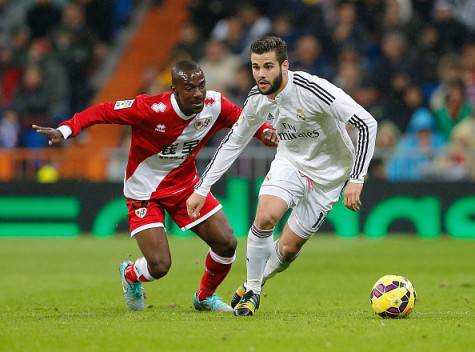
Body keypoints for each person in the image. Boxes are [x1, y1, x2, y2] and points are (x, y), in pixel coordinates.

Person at [33, 60, 277, 313]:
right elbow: (102, 111)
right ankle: (130, 273)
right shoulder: (150, 108)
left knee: (226, 242)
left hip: (185, 187)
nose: (197, 94)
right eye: (189, 88)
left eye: (201, 86)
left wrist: (266, 131)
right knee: (160, 265)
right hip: (144, 192)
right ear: (174, 89)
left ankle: (204, 297)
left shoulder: (214, 105)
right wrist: (64, 130)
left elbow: (246, 120)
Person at [186, 36, 377, 316]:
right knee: (265, 217)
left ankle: (255, 281)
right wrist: (203, 187)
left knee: (287, 249)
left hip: (330, 177)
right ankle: (253, 291)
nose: (260, 75)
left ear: (284, 66)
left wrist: (356, 178)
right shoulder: (257, 100)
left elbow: (365, 123)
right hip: (291, 163)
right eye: (255, 67)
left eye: (267, 67)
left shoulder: (314, 89)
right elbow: (234, 142)